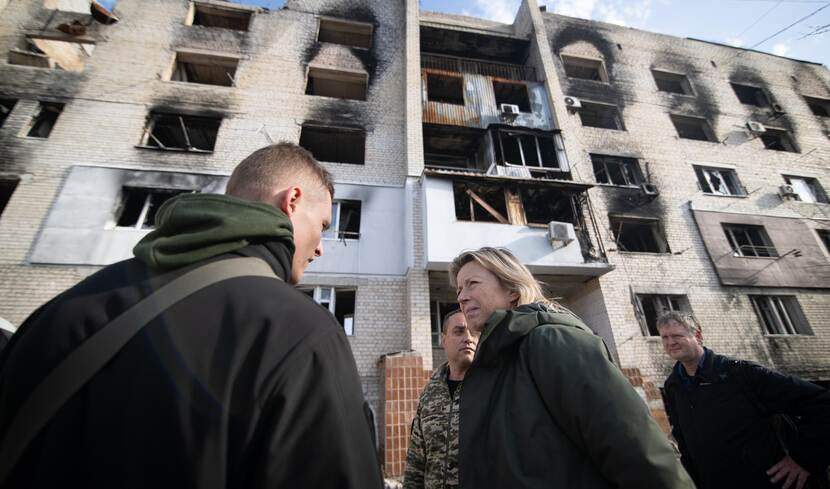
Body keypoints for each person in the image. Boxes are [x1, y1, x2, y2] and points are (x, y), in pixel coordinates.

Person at [0, 143, 383, 489]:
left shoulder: (64, 307)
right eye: (324, 226)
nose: (320, 249)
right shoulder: (301, 332)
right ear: (292, 200)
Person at [450, 246, 694, 489]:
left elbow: (636, 451)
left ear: (512, 289)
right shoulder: (494, 363)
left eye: (472, 284)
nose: (461, 297)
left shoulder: (551, 342)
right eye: (459, 289)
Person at [658, 310, 830, 489]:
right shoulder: (673, 385)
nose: (671, 343)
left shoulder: (741, 374)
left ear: (698, 335)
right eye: (665, 337)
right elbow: (685, 442)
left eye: (677, 335)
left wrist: (804, 459)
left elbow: (823, 402)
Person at [403, 309, 478, 489]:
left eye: (474, 333)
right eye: (459, 331)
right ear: (444, 340)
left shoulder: (493, 387)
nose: (468, 338)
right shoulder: (430, 392)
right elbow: (416, 459)